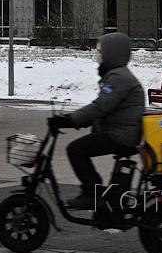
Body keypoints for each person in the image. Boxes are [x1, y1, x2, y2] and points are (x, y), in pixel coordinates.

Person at [48, 32, 145, 212]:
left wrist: (71, 120)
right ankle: (98, 196)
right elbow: (105, 109)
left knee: (76, 149)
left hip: (121, 135)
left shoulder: (119, 77)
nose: (97, 55)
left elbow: (100, 107)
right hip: (120, 132)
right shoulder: (117, 75)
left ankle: (91, 193)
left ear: (113, 53)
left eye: (101, 52)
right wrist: (78, 120)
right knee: (81, 148)